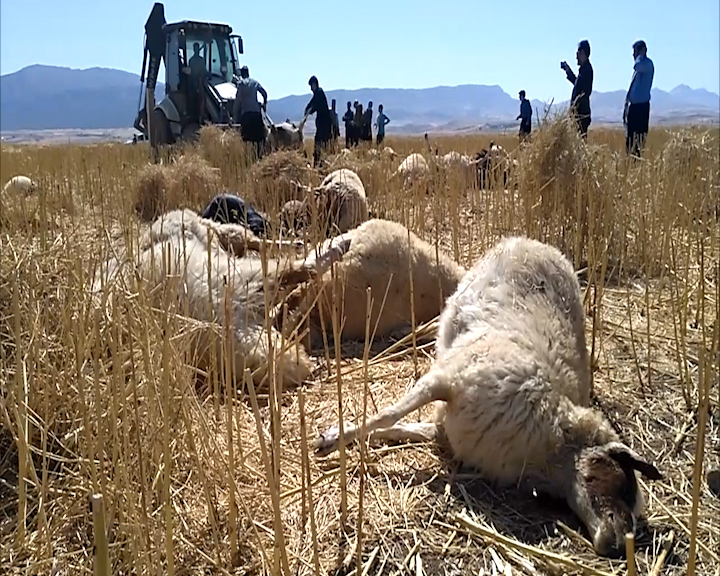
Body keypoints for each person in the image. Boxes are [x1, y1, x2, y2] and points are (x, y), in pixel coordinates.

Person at [624, 40, 655, 157]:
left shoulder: (647, 64)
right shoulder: (639, 69)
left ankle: (637, 165)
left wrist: (640, 56)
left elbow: (636, 65)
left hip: (641, 108)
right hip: (633, 108)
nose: (633, 55)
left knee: (639, 141)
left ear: (642, 51)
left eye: (635, 52)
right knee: (630, 140)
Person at [232, 65, 268, 159]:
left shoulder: (240, 84)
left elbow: (237, 102)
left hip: (246, 115)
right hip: (256, 114)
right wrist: (264, 104)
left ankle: (249, 158)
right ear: (248, 73)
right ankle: (260, 157)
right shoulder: (255, 82)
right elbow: (264, 93)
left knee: (246, 140)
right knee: (260, 139)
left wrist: (234, 115)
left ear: (242, 74)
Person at [561, 40, 594, 139]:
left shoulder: (587, 70)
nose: (576, 57)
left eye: (577, 53)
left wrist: (575, 108)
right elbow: (577, 85)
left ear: (583, 53)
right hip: (579, 115)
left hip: (581, 115)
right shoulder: (584, 70)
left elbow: (584, 92)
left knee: (580, 144)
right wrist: (568, 71)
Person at [304, 75, 332, 167]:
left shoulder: (319, 93)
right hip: (322, 125)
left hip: (324, 126)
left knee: (319, 146)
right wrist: (307, 110)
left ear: (315, 84)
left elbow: (315, 105)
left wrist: (309, 110)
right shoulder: (317, 94)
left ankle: (319, 165)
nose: (311, 89)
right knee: (319, 146)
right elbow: (311, 103)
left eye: (311, 86)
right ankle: (319, 164)